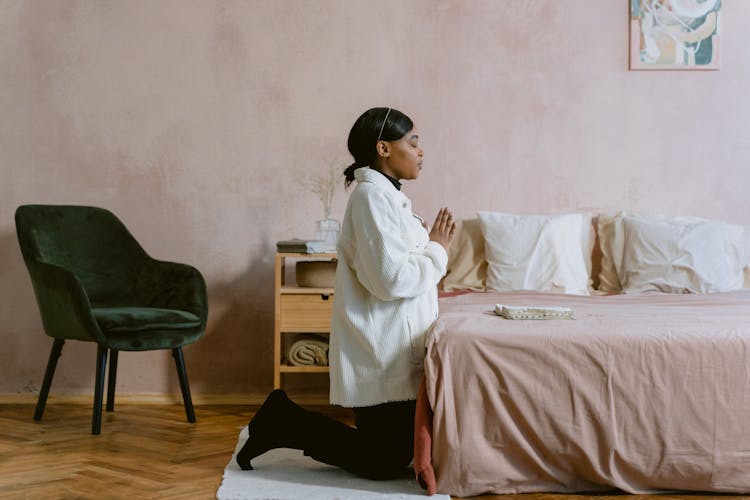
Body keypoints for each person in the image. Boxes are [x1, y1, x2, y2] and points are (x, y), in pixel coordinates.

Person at [236, 107, 455, 480]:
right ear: (383, 148)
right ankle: (282, 420)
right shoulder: (371, 198)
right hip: (381, 352)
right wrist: (437, 249)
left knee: (395, 454)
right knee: (383, 461)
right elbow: (390, 280)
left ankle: (282, 419)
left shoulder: (388, 198)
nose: (421, 152)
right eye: (413, 142)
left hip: (395, 351)